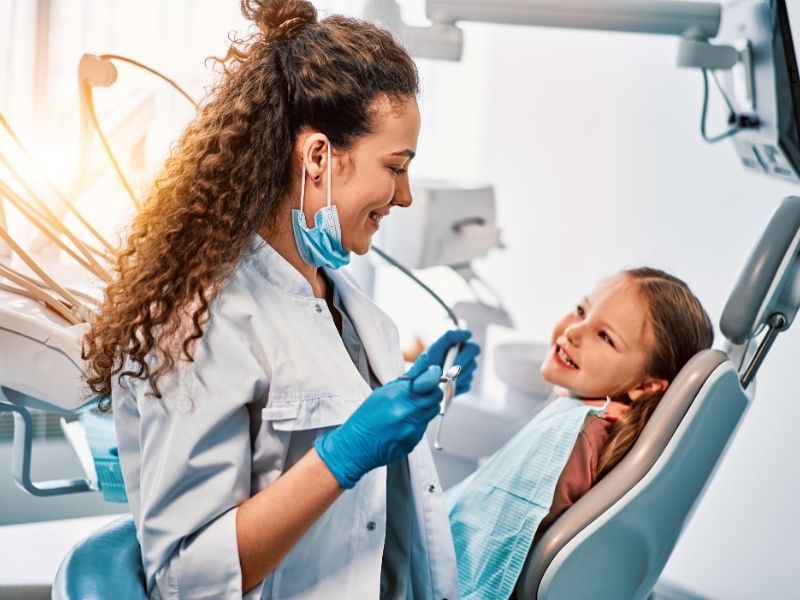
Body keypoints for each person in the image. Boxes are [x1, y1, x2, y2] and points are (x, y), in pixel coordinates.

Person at [80, 2, 480, 598]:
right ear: (319, 157)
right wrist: (341, 456)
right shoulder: (201, 319)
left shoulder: (347, 307)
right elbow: (185, 577)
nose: (404, 196)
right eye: (394, 167)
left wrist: (424, 397)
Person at [445, 267, 714, 600]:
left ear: (646, 386)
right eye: (582, 311)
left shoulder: (578, 433)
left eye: (605, 337)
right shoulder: (583, 416)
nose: (573, 331)